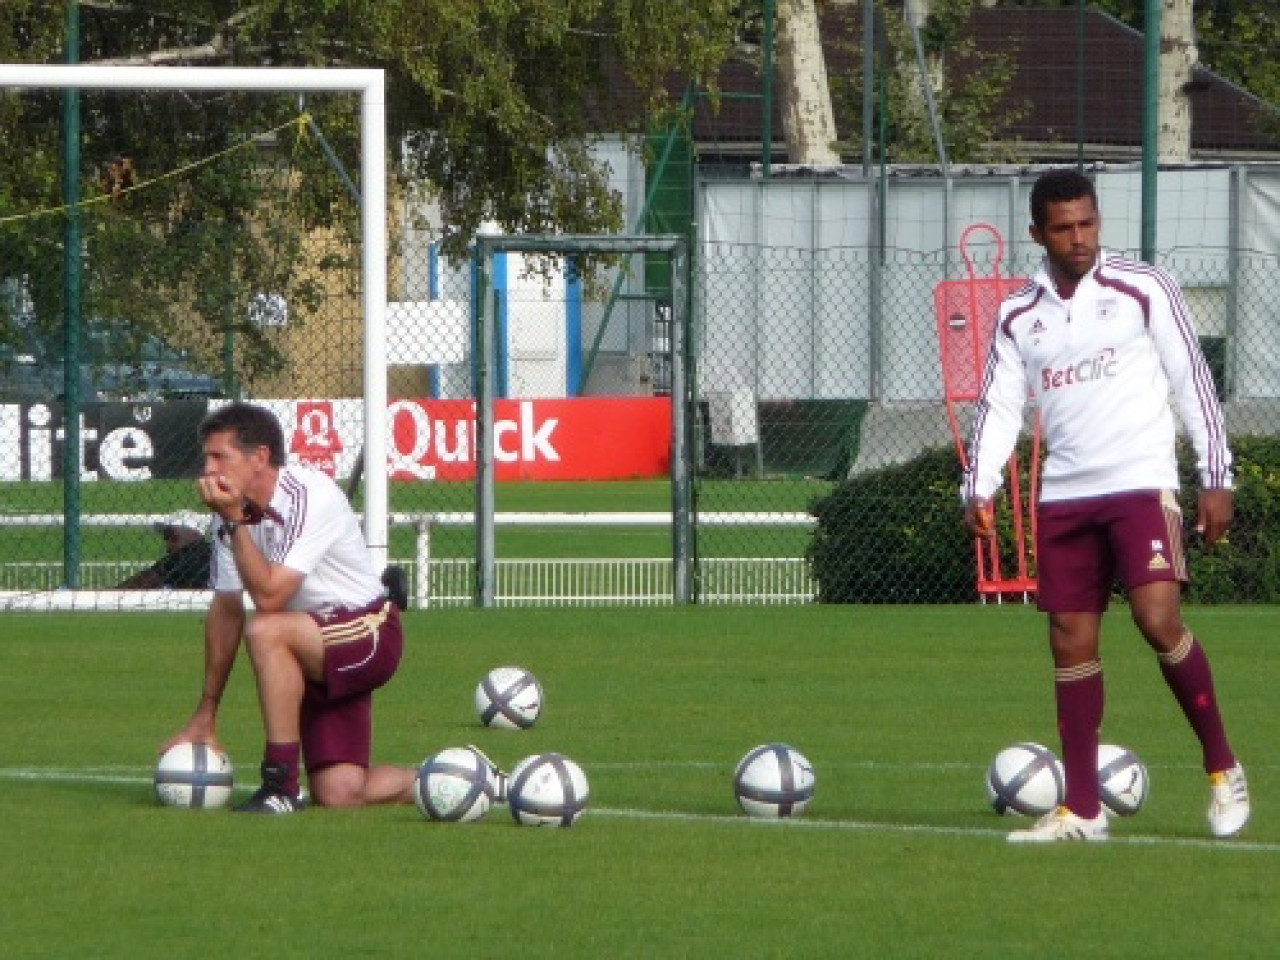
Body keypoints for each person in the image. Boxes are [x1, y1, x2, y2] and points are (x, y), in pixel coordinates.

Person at [963, 168, 1250, 843]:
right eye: (1063, 228)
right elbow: (1001, 405)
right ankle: (1083, 810)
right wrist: (979, 484)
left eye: (1087, 223)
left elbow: (1193, 382)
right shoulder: (1017, 314)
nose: (1079, 238)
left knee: (1157, 618)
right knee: (1071, 642)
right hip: (1065, 495)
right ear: (1038, 233)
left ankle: (1221, 767)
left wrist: (1217, 476)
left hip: (1140, 482)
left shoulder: (1141, 289)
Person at [160, 401, 500, 814]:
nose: (208, 470)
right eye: (206, 458)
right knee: (340, 791)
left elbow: (269, 598)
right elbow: (227, 610)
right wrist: (205, 714)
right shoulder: (229, 515)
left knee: (266, 629)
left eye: (219, 457)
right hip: (313, 644)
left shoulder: (308, 496)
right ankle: (466, 779)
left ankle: (280, 786)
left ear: (260, 457)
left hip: (369, 632)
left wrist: (233, 522)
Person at [117, 510, 212, 590]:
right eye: (166, 537)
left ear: (194, 534)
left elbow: (141, 583)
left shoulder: (182, 558)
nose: (168, 546)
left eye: (173, 537)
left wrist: (107, 594)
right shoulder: (213, 552)